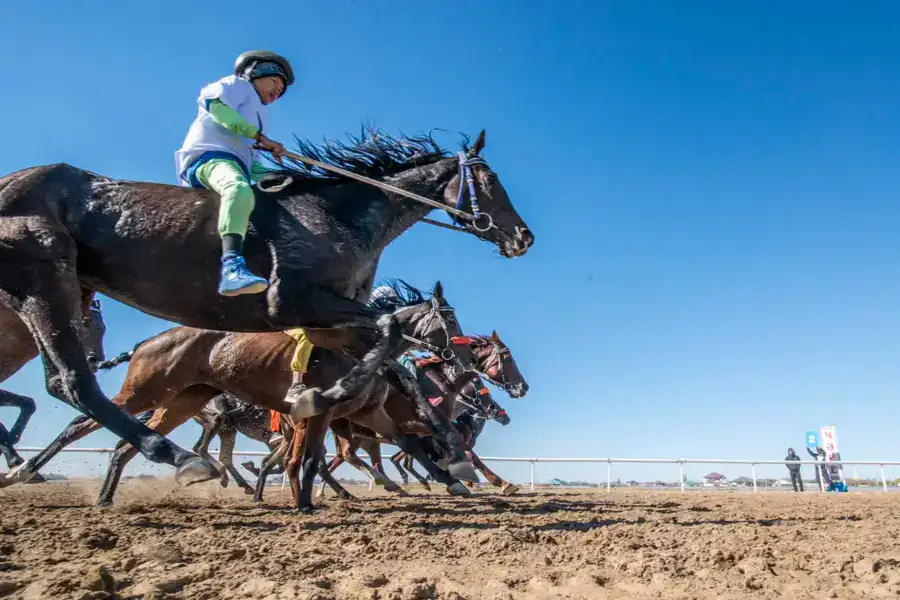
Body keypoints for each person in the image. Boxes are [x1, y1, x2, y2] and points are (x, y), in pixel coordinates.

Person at [175, 51, 293, 296]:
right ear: (255, 72)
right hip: (208, 158)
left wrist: (280, 173)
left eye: (281, 90)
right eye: (275, 82)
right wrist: (261, 138)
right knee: (237, 189)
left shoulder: (260, 116)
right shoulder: (235, 85)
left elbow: (252, 163)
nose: (278, 90)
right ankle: (232, 267)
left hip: (236, 163)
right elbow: (220, 112)